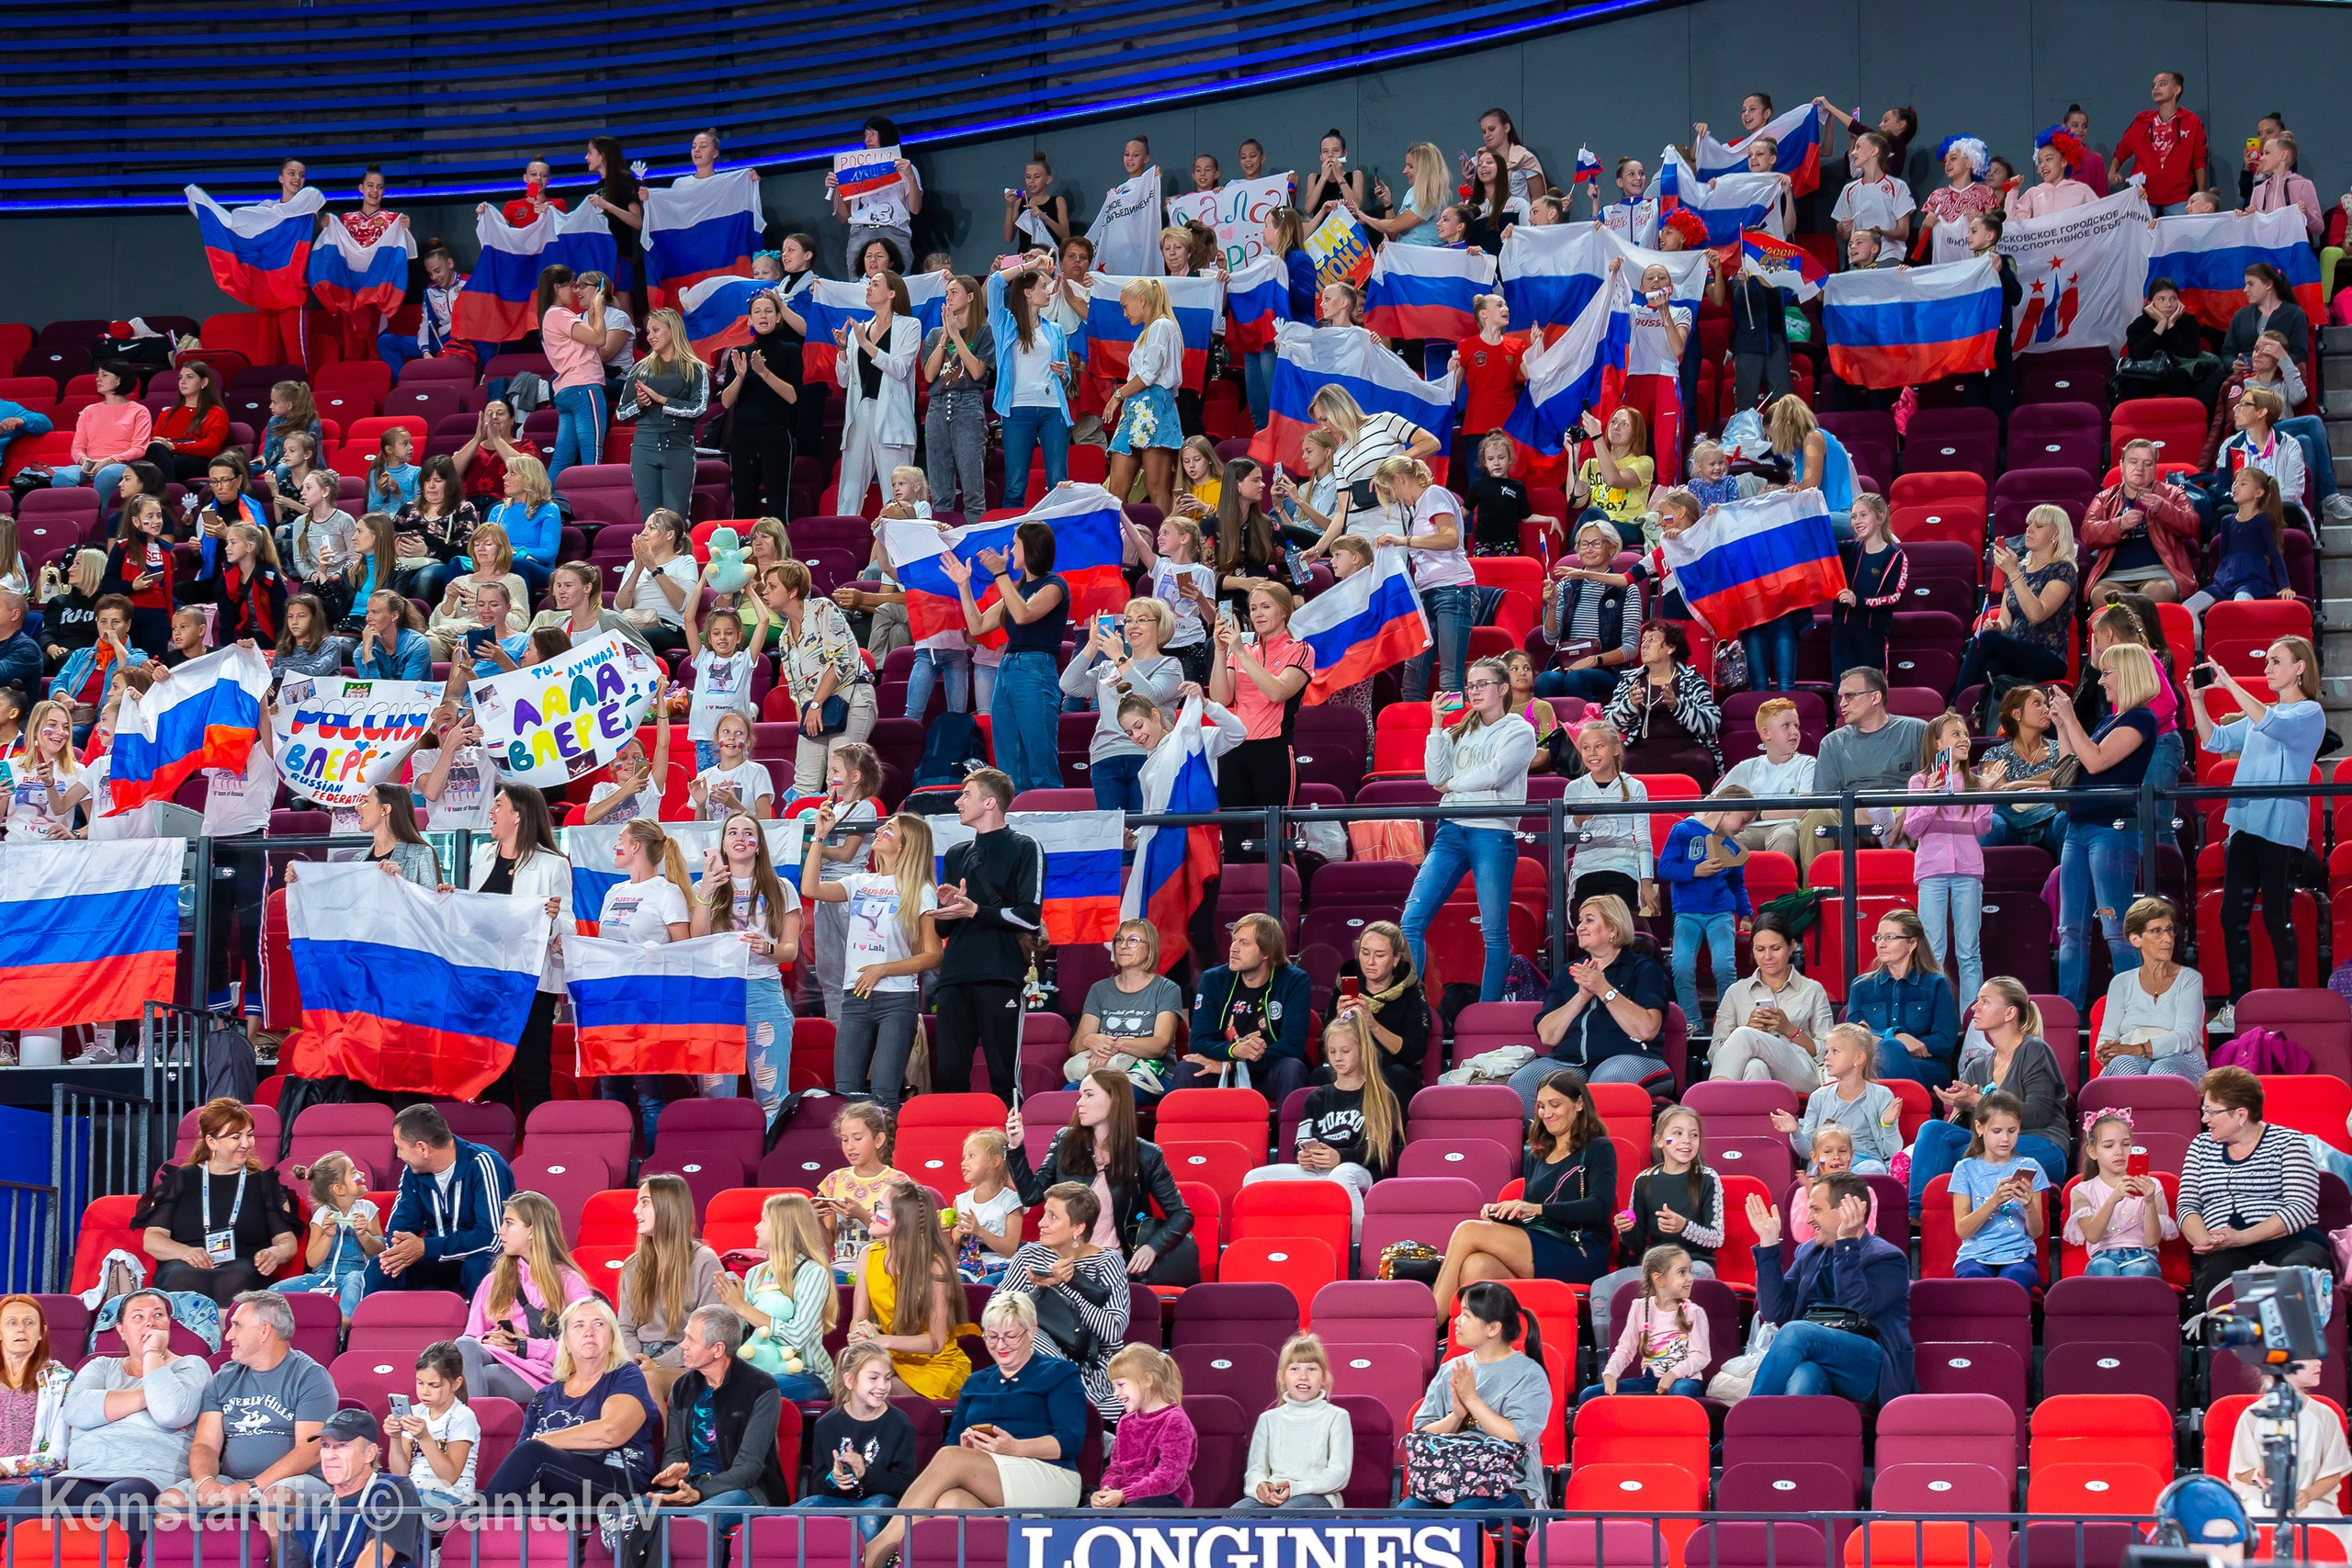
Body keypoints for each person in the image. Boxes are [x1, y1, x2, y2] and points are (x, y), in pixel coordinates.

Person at [857, 1293, 1087, 1568]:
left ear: (1032, 1331)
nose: (1001, 1345)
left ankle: (876, 1552)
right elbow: (954, 1443)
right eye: (992, 1336)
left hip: (1050, 1476)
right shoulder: (976, 1381)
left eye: (1010, 1336)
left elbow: (1070, 1440)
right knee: (949, 1502)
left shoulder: (1060, 1372)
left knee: (950, 1459)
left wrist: (1014, 1448)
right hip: (990, 1476)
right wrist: (970, 1450)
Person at [2194, 636, 2324, 1029]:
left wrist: (2230, 683)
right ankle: (2236, 1003)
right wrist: (2198, 699)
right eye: (2266, 662)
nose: (2267, 668)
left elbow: (2271, 723)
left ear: (2300, 667)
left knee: (2276, 917)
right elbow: (2214, 739)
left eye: (2275, 661)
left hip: (2282, 829)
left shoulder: (2310, 712)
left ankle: (2287, 1001)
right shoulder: (2261, 714)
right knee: (2232, 913)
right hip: (2247, 825)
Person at [1397, 658, 1536, 1001]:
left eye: (1482, 684)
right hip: (1450, 830)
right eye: (1470, 685)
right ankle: (1414, 1009)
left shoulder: (1518, 729)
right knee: (1411, 920)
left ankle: (1488, 1011)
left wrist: (1452, 786)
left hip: (1491, 832)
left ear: (1502, 689)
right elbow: (1433, 778)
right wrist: (1435, 725)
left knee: (1494, 931)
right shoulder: (1457, 729)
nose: (1474, 691)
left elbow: (1496, 772)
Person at [1431, 1068, 1615, 1303]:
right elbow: (1530, 1220)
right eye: (1541, 1106)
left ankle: (1430, 1323)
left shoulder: (1598, 1148)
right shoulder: (1536, 1155)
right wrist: (1502, 1216)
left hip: (1579, 1249)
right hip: (1540, 1243)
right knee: (1476, 1266)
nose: (1546, 1113)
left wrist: (1535, 1208)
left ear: (1579, 1104)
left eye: (1555, 1105)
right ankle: (1476, 1335)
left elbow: (1598, 1207)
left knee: (1468, 1230)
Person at [1004, 1069, 1200, 1287]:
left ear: (1114, 1100)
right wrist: (1015, 1147)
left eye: (1089, 1095)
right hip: (1064, 1258)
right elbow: (1031, 1195)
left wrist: (1152, 1246)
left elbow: (1181, 1214)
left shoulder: (1146, 1154)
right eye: (1080, 1096)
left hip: (1111, 1263)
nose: (1079, 1103)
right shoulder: (1065, 1140)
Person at [2047, 644, 2161, 1009]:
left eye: (2108, 673)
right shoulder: (2104, 722)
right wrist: (2064, 724)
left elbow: (2095, 762)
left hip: (2112, 831)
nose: (2102, 680)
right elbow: (2071, 765)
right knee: (2070, 930)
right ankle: (2071, 1008)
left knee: (2116, 929)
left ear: (2127, 674)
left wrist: (2072, 719)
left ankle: (2135, 1007)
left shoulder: (2141, 718)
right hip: (2078, 827)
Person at [803, 809, 937, 1110]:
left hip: (897, 999)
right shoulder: (859, 881)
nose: (879, 831)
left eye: (889, 830)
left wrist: (883, 969)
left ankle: (887, 1153)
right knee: (846, 1093)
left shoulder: (921, 890)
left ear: (904, 846)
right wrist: (819, 837)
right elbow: (810, 888)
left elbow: (933, 954)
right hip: (855, 996)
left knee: (884, 1094)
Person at [162, 1292, 337, 1512]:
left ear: (264, 1330)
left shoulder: (310, 1376)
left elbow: (309, 1451)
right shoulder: (224, 1378)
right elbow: (205, 1444)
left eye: (237, 1326)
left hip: (295, 1481)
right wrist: (205, 1483)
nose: (228, 1336)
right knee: (171, 1501)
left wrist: (252, 1487)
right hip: (232, 1483)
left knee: (276, 1500)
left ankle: (282, 1547)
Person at [1743, 1175, 1914, 1399]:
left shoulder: (1888, 1258)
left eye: (1816, 1209)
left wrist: (1846, 1245)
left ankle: (1747, 1422)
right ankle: (1784, 1433)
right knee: (1805, 1377)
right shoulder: (1808, 1252)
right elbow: (1774, 1311)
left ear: (1845, 1210)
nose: (1808, 1219)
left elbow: (1857, 1306)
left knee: (1796, 1331)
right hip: (1816, 1352)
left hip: (1870, 1366)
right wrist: (1768, 1243)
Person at [481, 1296, 659, 1506]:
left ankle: (472, 1527)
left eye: (599, 1324)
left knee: (533, 1453)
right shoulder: (544, 1396)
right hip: (560, 1486)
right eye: (579, 1325)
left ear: (612, 1339)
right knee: (519, 1498)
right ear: (565, 1343)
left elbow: (611, 1432)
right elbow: (519, 1462)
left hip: (618, 1479)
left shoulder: (625, 1375)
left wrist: (543, 1440)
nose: (589, 1332)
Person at [931, 770, 1042, 1102]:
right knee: (949, 1075)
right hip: (953, 977)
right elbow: (943, 929)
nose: (958, 801)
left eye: (966, 794)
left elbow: (1029, 917)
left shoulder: (1025, 847)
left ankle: (1011, 1150)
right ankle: (955, 1149)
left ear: (990, 802)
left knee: (1003, 1076)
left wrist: (975, 911)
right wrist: (947, 907)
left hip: (1000, 975)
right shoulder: (955, 854)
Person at [51, 1289, 209, 1518]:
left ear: (168, 1325)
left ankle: (128, 1556)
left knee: (120, 1501)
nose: (150, 1324)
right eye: (138, 1317)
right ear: (121, 1331)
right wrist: (148, 1397)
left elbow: (171, 1413)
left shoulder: (191, 1366)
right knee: (34, 1499)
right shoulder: (101, 1366)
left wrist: (152, 1353)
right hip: (86, 1471)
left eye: (158, 1315)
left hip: (149, 1474)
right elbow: (76, 1410)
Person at [2182, 1066, 2333, 1303]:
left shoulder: (2290, 1142)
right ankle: (2218, 1339)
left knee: (2295, 1273)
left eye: (2212, 1112)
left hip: (2289, 1243)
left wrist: (2241, 1237)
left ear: (2241, 1115)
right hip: (2224, 1248)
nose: (2204, 1119)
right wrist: (2207, 1242)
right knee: (2217, 1273)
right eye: (2204, 1110)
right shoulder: (2200, 1146)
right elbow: (2188, 1206)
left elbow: (2300, 1208)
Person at [1245, 1016, 1406, 1236]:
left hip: (1359, 1170)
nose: (1338, 1058)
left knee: (1341, 1174)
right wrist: (1303, 1156)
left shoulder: (1379, 1096)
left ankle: (1360, 1244)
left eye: (1345, 1051)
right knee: (1253, 1178)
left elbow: (1378, 1153)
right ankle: (1261, 1240)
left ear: (1362, 1050)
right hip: (1318, 1169)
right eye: (1332, 1052)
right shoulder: (1317, 1097)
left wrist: (1339, 1157)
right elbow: (1300, 1143)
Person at [133, 1099, 301, 1306]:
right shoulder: (181, 1179)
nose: (246, 1144)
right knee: (182, 1276)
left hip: (242, 1265)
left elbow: (287, 1241)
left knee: (239, 1275)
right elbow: (153, 1239)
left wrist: (275, 1253)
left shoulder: (262, 1183)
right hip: (185, 1264)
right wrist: (185, 1252)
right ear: (211, 1141)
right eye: (235, 1137)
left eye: (249, 1135)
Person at [985, 1182, 1131, 1419]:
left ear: (1077, 1228)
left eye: (1052, 1217)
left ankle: (1078, 1409)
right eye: (1044, 1214)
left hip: (1092, 1363)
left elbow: (1113, 1332)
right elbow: (994, 1313)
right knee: (1027, 1333)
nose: (1041, 1223)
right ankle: (1082, 1413)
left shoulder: (1108, 1262)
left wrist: (1066, 1284)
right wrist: (1025, 1296)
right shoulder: (1029, 1255)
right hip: (1036, 1359)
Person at [1399, 1281, 1552, 1510]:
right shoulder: (1452, 1368)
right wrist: (1455, 1417)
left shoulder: (1529, 1375)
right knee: (1406, 1516)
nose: (1457, 1322)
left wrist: (1472, 1400)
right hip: (1447, 1479)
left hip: (1509, 1485)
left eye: (1467, 1315)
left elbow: (1516, 1437)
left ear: (1493, 1328)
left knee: (1459, 1518)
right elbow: (1421, 1433)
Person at [939, 521, 1067, 794]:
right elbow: (977, 628)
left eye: (1016, 543)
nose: (1010, 549)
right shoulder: (1017, 588)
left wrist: (1001, 574)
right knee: (1009, 764)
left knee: (1040, 761)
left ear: (1031, 548)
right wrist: (964, 586)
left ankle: (1049, 820)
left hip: (1035, 670)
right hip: (1007, 670)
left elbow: (1023, 615)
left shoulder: (1054, 585)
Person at [690, 811, 803, 1117]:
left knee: (772, 1096)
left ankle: (769, 1161)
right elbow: (695, 940)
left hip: (763, 992)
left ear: (758, 845)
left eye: (747, 833)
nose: (740, 838)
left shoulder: (781, 888)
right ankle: (719, 1160)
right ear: (724, 845)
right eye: (733, 833)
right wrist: (705, 894)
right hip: (717, 995)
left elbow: (790, 951)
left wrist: (768, 948)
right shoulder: (705, 885)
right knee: (715, 1097)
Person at [469, 784, 571, 1119]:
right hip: (488, 980)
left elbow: (566, 925)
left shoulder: (551, 864)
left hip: (530, 983)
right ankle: (497, 1148)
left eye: (498, 805)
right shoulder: (482, 855)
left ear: (518, 815)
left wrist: (555, 923)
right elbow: (475, 914)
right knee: (492, 1072)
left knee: (531, 1071)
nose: (491, 811)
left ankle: (538, 1153)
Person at [1513, 896, 1671, 1109]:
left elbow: (1646, 1030)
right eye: (1580, 921)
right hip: (1570, 1062)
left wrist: (1604, 989)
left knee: (1606, 1082)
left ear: (1612, 929)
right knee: (1523, 1083)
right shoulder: (1568, 973)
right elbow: (1548, 1036)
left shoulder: (1644, 969)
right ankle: (1553, 1142)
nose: (1580, 927)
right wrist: (1581, 998)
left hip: (1632, 1058)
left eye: (1589, 920)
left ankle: (1598, 1143)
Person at [1589, 1105, 1724, 1350]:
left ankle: (1675, 1355)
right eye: (1678, 1134)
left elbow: (1716, 1238)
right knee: (1601, 1287)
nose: (1686, 1141)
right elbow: (1637, 1245)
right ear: (1660, 1141)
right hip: (1655, 1265)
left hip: (1696, 1264)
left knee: (1673, 1282)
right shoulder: (1643, 1180)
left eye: (1694, 1135)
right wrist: (1626, 1228)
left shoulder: (1708, 1178)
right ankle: (1606, 1363)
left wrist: (1684, 1226)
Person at [1207, 579, 1314, 862]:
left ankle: (1283, 901)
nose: (1258, 614)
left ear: (1284, 612)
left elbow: (1278, 691)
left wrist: (1240, 651)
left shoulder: (1299, 649)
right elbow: (1220, 698)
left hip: (1274, 751)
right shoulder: (1240, 651)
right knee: (1233, 841)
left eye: (1266, 607)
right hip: (1233, 751)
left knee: (1276, 839)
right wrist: (1221, 651)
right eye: (1253, 608)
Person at [459, 1190, 594, 1403]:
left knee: (484, 1377)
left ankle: (470, 1433)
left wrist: (524, 1346)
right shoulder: (492, 1281)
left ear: (532, 1231)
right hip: (494, 1359)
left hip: (544, 1374)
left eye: (509, 1223)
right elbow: (471, 1339)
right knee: (464, 1346)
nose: (500, 1231)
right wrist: (492, 1339)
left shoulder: (569, 1282)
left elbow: (584, 1347)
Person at [1796, 666, 1929, 874]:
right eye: (1840, 697)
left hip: (1902, 812)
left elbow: (1936, 783)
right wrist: (1850, 811)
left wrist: (1912, 808)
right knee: (1816, 817)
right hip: (1851, 812)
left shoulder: (1916, 731)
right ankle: (1816, 895)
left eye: (1850, 696)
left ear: (1875, 697)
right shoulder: (1832, 743)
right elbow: (1823, 801)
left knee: (1925, 818)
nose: (1842, 704)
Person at [847, 1181, 972, 1401]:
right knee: (851, 1382)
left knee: (878, 1389)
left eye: (879, 1207)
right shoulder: (868, 1255)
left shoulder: (934, 1265)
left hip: (935, 1366)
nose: (871, 1213)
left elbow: (935, 1342)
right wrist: (860, 1334)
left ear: (902, 1220)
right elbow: (858, 1318)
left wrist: (882, 1341)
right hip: (889, 1360)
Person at [1062, 597, 1182, 812]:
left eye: (1142, 620)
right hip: (1106, 758)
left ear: (1160, 626)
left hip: (1148, 756)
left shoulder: (1170, 665)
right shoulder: (1108, 667)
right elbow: (1069, 685)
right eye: (1128, 620)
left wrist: (1120, 657)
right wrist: (1092, 646)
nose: (1132, 626)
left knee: (1143, 832)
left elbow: (1150, 697)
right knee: (1114, 835)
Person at [1180, 914, 1313, 1103]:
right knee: (1186, 1068)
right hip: (1221, 1066)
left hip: (1267, 1070)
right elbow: (1199, 1041)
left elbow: (1292, 1045)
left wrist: (1235, 1067)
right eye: (1234, 940)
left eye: (1244, 943)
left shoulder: (1294, 981)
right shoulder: (1213, 980)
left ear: (1266, 952)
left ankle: (1291, 1133)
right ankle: (1179, 1133)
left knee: (1292, 1068)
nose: (1233, 949)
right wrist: (1234, 1050)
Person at [1657, 786, 1757, 1032]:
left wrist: (1745, 913)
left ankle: (1726, 1020)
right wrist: (1694, 871)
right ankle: (1691, 1021)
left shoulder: (1731, 843)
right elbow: (1665, 868)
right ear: (1727, 809)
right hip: (1687, 913)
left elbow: (1737, 883)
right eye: (1742, 820)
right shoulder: (1683, 830)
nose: (1743, 828)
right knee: (1681, 966)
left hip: (1721, 913)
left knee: (1724, 966)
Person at [616, 1175, 725, 1396]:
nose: (636, 1210)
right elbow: (625, 1327)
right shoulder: (633, 1266)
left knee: (647, 1382)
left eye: (644, 1202)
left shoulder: (704, 1260)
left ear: (668, 1207)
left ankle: (669, 1432)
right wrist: (634, 1361)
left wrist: (659, 1363)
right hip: (640, 1359)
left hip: (690, 1360)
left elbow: (708, 1332)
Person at [984, 262, 1072, 509]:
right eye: (1043, 286)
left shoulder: (1054, 329)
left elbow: (1067, 378)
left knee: (1059, 481)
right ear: (1027, 292)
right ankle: (1012, 539)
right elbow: (994, 283)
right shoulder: (1004, 324)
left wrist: (1063, 374)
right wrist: (1031, 265)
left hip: (1053, 409)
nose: (1048, 291)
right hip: (1018, 409)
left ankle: (1059, 535)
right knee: (1015, 484)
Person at [2230, 1357, 2351, 1537]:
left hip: (2314, 1504)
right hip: (2263, 1502)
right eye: (2309, 1357)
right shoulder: (2251, 1416)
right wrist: (2259, 1475)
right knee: (2258, 1530)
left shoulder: (2326, 1415)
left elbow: (2333, 1472)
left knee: (2322, 1530)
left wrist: (2307, 1495)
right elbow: (2240, 1471)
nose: (2319, 1362)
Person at [1711, 913, 1835, 1089]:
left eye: (1775, 948)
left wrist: (1790, 1030)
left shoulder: (1812, 990)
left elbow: (1829, 1052)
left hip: (1801, 1070)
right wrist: (1750, 1029)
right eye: (1760, 949)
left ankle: (1714, 1100)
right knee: (1755, 1067)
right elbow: (1715, 1052)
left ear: (1791, 947)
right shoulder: (1736, 992)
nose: (1767, 956)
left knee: (1744, 1034)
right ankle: (1760, 1116)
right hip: (1752, 1071)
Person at [1070, 918, 1187, 1101]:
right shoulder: (1099, 990)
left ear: (1150, 949)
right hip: (1105, 1074)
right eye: (1119, 940)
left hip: (1150, 1075)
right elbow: (1076, 1046)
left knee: (1110, 1097)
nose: (1124, 946)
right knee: (1067, 1094)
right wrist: (1089, 1039)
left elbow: (1159, 1045)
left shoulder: (1166, 989)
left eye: (1133, 940)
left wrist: (1112, 1045)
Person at [2095, 897, 2207, 1079]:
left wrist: (2139, 1049)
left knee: (2160, 1071)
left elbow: (2187, 1036)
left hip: (2180, 1059)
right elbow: (2107, 1037)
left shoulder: (2190, 979)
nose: (2168, 938)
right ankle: (2131, 1108)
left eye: (2170, 929)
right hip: (2129, 1059)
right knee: (2125, 1065)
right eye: (2157, 931)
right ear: (2136, 939)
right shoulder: (2121, 983)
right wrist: (2106, 1051)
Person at [1582, 1243, 1709, 1404]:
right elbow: (1625, 1349)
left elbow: (1701, 1356)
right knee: (1589, 1395)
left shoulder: (1694, 1312)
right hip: (1650, 1380)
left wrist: (1673, 1374)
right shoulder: (1639, 1307)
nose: (1690, 1278)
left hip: (1684, 1379)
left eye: (1690, 1271)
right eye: (1682, 1272)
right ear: (1659, 1279)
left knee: (1681, 1392)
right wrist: (1610, 1374)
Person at [1849, 908, 1962, 1089]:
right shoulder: (1861, 986)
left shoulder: (1936, 984)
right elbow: (1851, 1036)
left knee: (1887, 1056)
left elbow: (1945, 1041)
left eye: (1890, 937)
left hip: (1925, 1067)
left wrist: (1908, 1047)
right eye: (1878, 937)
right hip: (1874, 1064)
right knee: (1887, 1052)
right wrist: (1896, 1038)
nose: (1881, 944)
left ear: (1912, 943)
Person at [1536, 520, 1644, 702]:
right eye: (1583, 544)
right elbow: (1551, 639)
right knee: (1545, 680)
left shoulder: (1627, 589)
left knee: (1577, 678)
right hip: (1568, 664)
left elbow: (1631, 649)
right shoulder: (1565, 586)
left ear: (1612, 548)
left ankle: (1586, 727)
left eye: (1596, 543)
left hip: (1609, 669)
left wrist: (1595, 660)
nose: (1589, 549)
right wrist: (1552, 606)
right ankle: (1549, 730)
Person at [271, 1153, 382, 1326]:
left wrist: (363, 1234)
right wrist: (327, 1236)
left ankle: (344, 1324)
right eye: (354, 1173)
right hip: (323, 1276)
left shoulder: (368, 1209)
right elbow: (313, 1260)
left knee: (354, 1279)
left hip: (356, 1273)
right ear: (339, 1189)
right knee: (274, 1291)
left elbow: (379, 1250)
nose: (362, 1175)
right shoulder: (322, 1214)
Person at [1606, 618, 1722, 784]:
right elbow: (1609, 724)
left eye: (1652, 640)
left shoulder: (1692, 681)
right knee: (1617, 765)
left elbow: (1712, 722)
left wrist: (1678, 706)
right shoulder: (1630, 681)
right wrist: (1629, 706)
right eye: (1643, 640)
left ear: (1671, 648)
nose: (1644, 645)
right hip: (1640, 750)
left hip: (1685, 748)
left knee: (1700, 764)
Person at [1335, 920, 1433, 1107]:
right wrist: (1337, 1024)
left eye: (1379, 955)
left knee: (1395, 1075)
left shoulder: (1412, 992)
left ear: (1396, 959)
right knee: (1318, 1076)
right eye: (1365, 953)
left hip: (1395, 1072)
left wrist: (1372, 1024)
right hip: (1353, 1068)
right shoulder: (1346, 985)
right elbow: (1325, 1050)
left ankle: (1392, 1136)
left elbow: (1415, 1052)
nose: (1370, 962)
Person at [2069, 1112, 2179, 1279]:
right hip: (2102, 1256)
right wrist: (2114, 1198)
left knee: (2138, 1271)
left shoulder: (2152, 1185)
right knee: (2104, 1269)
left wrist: (2149, 1201)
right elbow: (2092, 1235)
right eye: (2108, 1146)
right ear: (2092, 1152)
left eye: (2126, 1144)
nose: (2119, 1152)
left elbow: (2151, 1241)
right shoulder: (2082, 1190)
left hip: (2143, 1255)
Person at [1090, 1347, 1196, 1511]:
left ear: (1147, 1380)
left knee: (1129, 1516)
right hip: (1127, 1496)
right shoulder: (1125, 1422)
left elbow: (1169, 1477)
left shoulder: (1175, 1420)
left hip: (1164, 1498)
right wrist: (1107, 1490)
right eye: (1114, 1386)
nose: (1116, 1393)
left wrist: (1124, 1495)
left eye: (1121, 1385)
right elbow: (1116, 1467)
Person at [380, 1343, 477, 1520]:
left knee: (397, 1513)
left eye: (434, 1385)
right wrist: (394, 1438)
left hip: (452, 1497)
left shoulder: (462, 1416)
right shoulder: (416, 1412)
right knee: (374, 1501)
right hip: (415, 1494)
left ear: (456, 1384)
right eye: (420, 1383)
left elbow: (449, 1477)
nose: (424, 1392)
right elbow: (400, 1474)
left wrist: (425, 1438)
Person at [1720, 700, 1815, 861]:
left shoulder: (1807, 764)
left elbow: (1804, 807)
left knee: (1784, 837)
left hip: (1787, 826)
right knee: (1723, 840)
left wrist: (1758, 815)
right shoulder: (1747, 767)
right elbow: (1715, 800)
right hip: (1748, 829)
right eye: (1786, 726)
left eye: (1796, 726)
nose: (1794, 732)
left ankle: (1780, 885)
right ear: (1766, 734)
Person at [1830, 493, 1906, 682]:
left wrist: (1859, 601)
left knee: (1872, 691)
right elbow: (1817, 538)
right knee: (1844, 691)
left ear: (1880, 517)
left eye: (1863, 515)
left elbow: (1893, 597)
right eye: (1854, 516)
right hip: (1842, 633)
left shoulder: (1895, 556)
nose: (1857, 521)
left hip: (1872, 634)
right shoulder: (1847, 550)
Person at [2112, 71, 2209, 213]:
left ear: (2177, 89)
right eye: (2153, 86)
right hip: (2143, 196)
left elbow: (2199, 160)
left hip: (2178, 197)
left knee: (2180, 235)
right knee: (2141, 235)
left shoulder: (2192, 122)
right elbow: (2122, 150)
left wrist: (2200, 194)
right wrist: (2112, 171)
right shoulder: (2141, 122)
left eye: (2162, 84)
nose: (2156, 88)